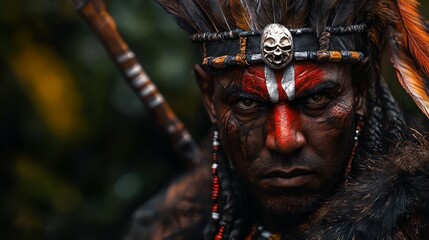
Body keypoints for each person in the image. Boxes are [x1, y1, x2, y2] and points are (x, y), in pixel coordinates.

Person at [125, 0, 429, 239]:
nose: (283, 140)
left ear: (360, 92)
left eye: (315, 100)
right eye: (248, 103)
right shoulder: (171, 226)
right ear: (209, 98)